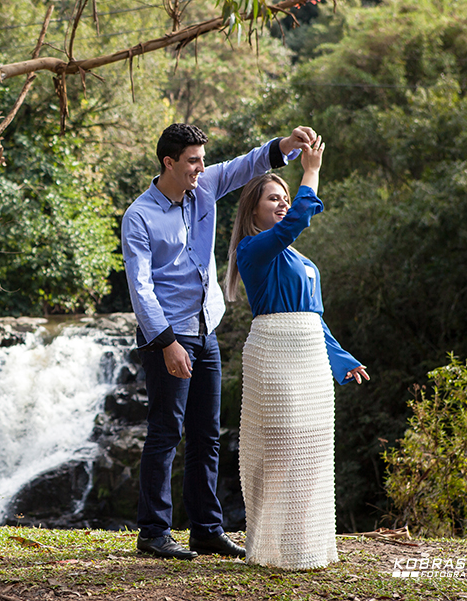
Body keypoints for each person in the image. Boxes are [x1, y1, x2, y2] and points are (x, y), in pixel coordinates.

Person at [122, 122, 317, 560]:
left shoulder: (205, 186)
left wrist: (286, 146)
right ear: (168, 162)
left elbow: (248, 164)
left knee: (207, 434)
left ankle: (206, 529)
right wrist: (168, 342)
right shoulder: (139, 216)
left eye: (202, 159)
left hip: (205, 329)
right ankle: (153, 532)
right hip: (167, 335)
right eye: (192, 160)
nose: (201, 167)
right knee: (165, 431)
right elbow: (141, 289)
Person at [223, 139, 370, 570]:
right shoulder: (253, 250)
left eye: (287, 198)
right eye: (274, 198)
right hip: (275, 354)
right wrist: (311, 171)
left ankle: (303, 547)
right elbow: (296, 223)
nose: (283, 204)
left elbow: (316, 319)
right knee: (281, 447)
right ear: (254, 211)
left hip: (310, 358)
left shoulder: (302, 260)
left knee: (311, 449)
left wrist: (342, 360)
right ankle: (267, 546)